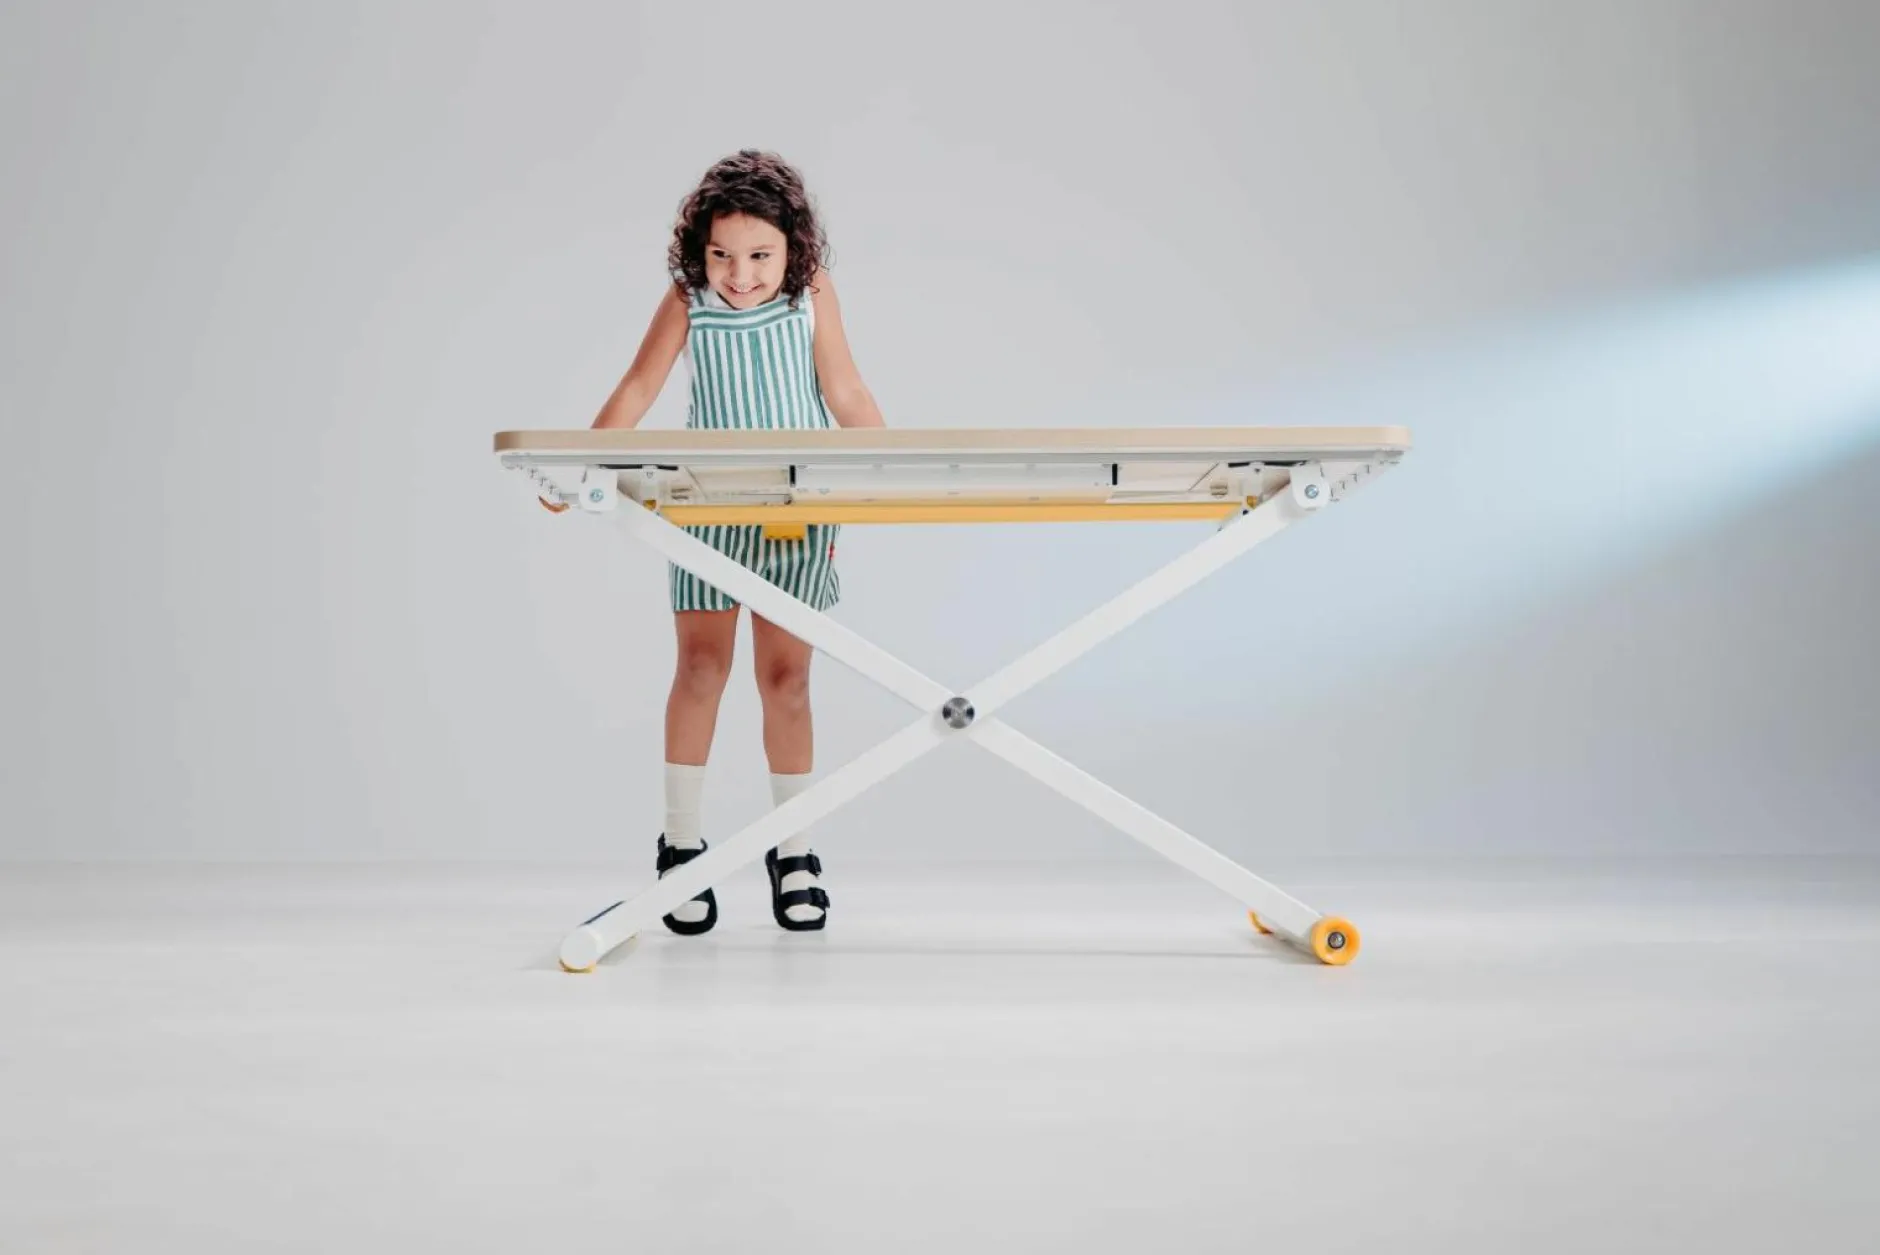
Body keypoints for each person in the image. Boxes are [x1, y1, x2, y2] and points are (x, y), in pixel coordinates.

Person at [581, 149, 885, 935]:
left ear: (793, 249)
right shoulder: (689, 299)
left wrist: (889, 466)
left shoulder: (810, 293)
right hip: (709, 511)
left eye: (759, 256)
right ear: (700, 250)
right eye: (722, 255)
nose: (740, 275)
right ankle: (682, 845)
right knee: (701, 669)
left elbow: (845, 389)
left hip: (795, 510)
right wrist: (580, 463)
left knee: (786, 679)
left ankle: (795, 848)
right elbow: (639, 385)